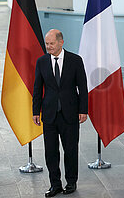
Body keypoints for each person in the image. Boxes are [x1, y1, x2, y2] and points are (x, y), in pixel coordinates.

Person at [32, 29, 88, 197]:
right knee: (51, 151)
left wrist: (83, 110)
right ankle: (55, 184)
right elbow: (37, 88)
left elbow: (83, 88)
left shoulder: (75, 60)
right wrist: (36, 111)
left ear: (61, 42)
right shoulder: (41, 61)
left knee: (70, 150)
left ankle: (71, 182)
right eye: (47, 44)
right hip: (49, 114)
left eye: (51, 43)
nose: (48, 46)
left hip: (70, 113)